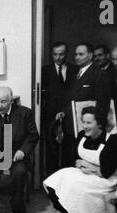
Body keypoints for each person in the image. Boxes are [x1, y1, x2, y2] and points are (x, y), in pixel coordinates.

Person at [44, 106, 117, 213]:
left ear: (100, 124)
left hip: (106, 179)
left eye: (89, 123)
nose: (85, 126)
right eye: (83, 122)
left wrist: (87, 166)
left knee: (73, 185)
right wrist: (85, 166)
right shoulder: (82, 135)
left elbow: (106, 171)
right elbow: (75, 160)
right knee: (54, 180)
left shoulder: (111, 141)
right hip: (85, 171)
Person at [0, 87, 39, 213]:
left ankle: (17, 206)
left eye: (3, 102)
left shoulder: (25, 113)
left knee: (20, 171)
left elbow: (33, 135)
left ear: (11, 101)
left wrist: (22, 151)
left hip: (15, 154)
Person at [57, 43, 111, 167]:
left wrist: (98, 129)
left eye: (81, 54)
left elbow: (102, 105)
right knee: (70, 160)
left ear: (90, 56)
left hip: (88, 128)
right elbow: (70, 99)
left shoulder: (99, 74)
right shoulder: (75, 74)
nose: (77, 57)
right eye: (76, 54)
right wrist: (63, 111)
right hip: (71, 126)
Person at [41, 41, 78, 175]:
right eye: (55, 54)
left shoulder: (75, 70)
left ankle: (68, 179)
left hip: (70, 114)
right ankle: (52, 181)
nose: (58, 57)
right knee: (52, 149)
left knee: (69, 149)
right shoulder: (44, 71)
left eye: (61, 54)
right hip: (50, 115)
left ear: (66, 54)